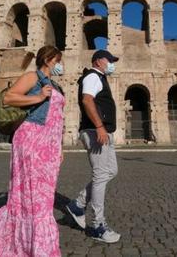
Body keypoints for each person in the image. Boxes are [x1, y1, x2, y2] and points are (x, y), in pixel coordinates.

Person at [0, 45, 66, 256]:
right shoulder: (33, 77)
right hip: (31, 140)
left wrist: (59, 147)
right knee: (34, 194)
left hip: (49, 145)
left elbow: (57, 120)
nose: (60, 65)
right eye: (58, 60)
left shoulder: (55, 85)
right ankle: (37, 247)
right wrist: (38, 97)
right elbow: (9, 98)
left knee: (45, 196)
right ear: (48, 60)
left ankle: (34, 242)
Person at [66, 49, 121, 243]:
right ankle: (98, 225)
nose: (112, 64)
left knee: (111, 171)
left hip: (102, 132)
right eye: (110, 60)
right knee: (100, 174)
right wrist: (99, 126)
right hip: (95, 131)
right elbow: (87, 100)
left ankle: (78, 204)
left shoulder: (100, 77)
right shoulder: (92, 76)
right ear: (98, 61)